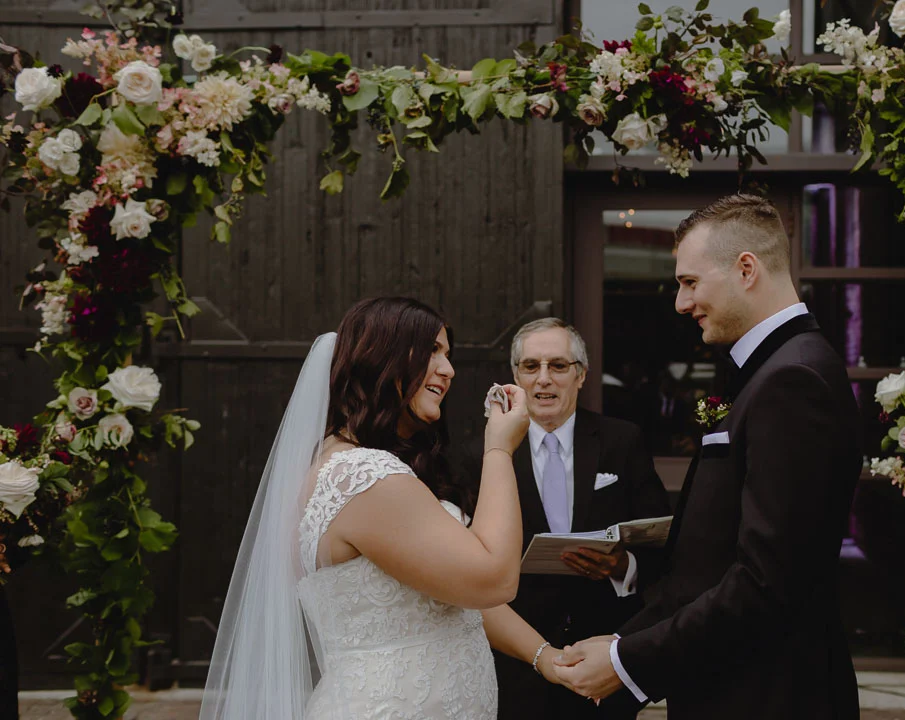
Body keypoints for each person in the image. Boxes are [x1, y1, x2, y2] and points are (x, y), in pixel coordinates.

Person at [554, 194, 863, 720]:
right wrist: (622, 640)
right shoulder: (776, 368)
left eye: (690, 282)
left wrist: (627, 660)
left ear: (746, 269)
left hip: (770, 697)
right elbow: (711, 559)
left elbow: (767, 582)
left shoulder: (792, 380)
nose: (680, 302)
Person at [200, 297, 566, 720]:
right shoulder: (364, 476)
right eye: (432, 351)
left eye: (448, 355)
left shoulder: (353, 465)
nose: (448, 370)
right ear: (382, 359)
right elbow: (494, 579)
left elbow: (458, 597)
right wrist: (500, 447)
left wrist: (545, 657)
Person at [460, 318, 671, 719]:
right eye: (530, 367)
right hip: (517, 669)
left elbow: (662, 544)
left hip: (605, 664)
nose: (543, 379)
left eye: (558, 366)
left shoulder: (622, 441)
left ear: (581, 375)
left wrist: (624, 566)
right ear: (515, 377)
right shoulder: (482, 454)